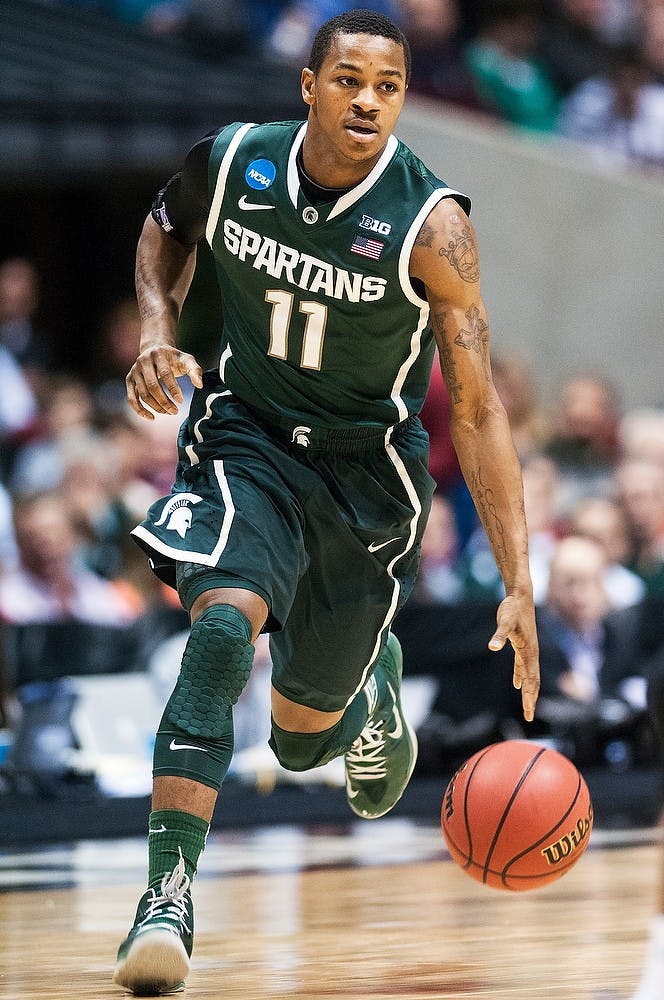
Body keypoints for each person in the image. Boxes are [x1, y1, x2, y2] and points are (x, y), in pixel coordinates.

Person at [113, 9, 540, 995]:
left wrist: (517, 581)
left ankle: (366, 690)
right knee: (221, 631)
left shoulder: (434, 226)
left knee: (304, 742)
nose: (367, 101)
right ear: (308, 84)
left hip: (364, 478)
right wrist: (152, 327)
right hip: (244, 435)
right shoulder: (232, 163)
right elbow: (162, 231)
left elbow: (476, 411)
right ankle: (167, 897)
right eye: (348, 79)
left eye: (387, 87)